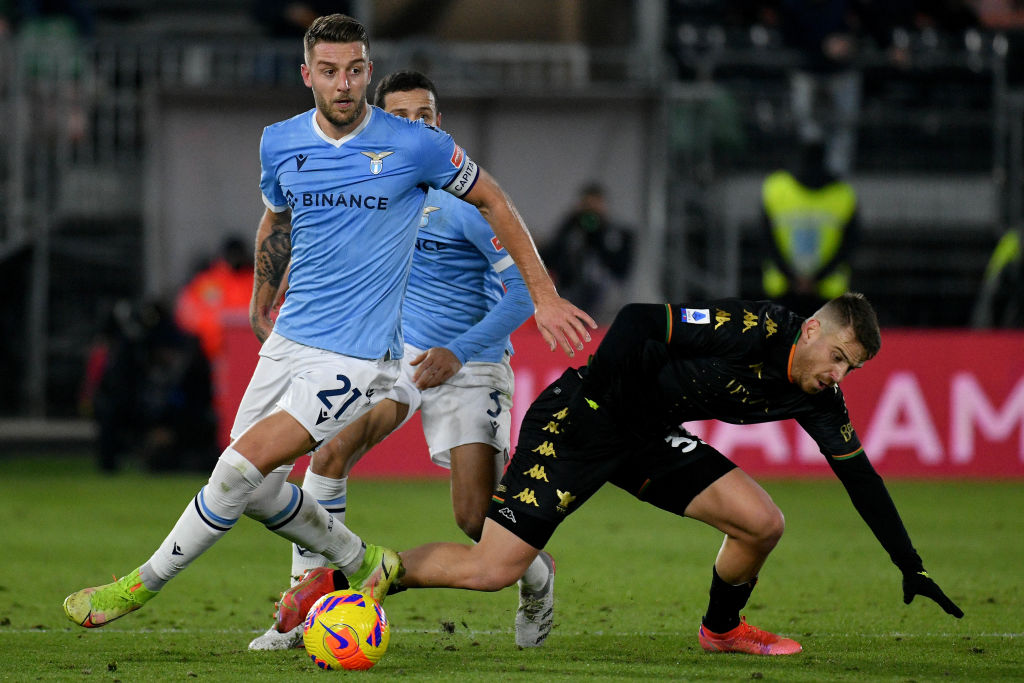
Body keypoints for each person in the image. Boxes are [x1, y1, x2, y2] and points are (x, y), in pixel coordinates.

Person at [63, 13, 594, 630]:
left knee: (250, 470)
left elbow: (494, 200)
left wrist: (544, 295)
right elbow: (278, 218)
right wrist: (263, 295)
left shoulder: (416, 150)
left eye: (354, 70)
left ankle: (138, 586)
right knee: (262, 484)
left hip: (371, 355)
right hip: (297, 340)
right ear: (307, 75)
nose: (343, 83)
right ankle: (357, 561)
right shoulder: (280, 141)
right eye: (329, 71)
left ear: (367, 71)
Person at [279, 292, 964, 656]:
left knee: (762, 522)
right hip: (581, 420)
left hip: (645, 438)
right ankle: (343, 577)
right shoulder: (757, 329)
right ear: (814, 330)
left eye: (852, 369)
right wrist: (601, 393)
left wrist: (911, 563)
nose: (838, 376)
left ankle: (722, 628)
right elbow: (640, 320)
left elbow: (862, 476)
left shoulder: (816, 393)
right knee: (493, 567)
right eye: (839, 356)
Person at [247, 70, 554, 651]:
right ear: (383, 123)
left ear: (440, 124)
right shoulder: (372, 193)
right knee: (330, 450)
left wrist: (457, 351)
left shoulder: (466, 202)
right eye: (404, 117)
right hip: (399, 355)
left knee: (475, 520)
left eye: (428, 116)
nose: (418, 126)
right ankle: (302, 607)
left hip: (473, 362)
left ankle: (536, 578)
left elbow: (520, 293)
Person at [778, 0, 912, 177]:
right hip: (807, 73)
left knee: (843, 130)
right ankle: (809, 178)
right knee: (810, 131)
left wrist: (889, 46)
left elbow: (870, 21)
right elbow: (788, 37)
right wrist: (822, 45)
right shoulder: (794, 4)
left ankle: (837, 181)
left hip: (842, 73)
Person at [760, 141, 860, 316]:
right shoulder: (843, 194)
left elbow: (766, 240)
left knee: (783, 342)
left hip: (783, 289)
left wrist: (792, 277)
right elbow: (849, 244)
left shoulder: (775, 189)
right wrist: (817, 278)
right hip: (827, 291)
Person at [542, 183, 633, 324]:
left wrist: (599, 238)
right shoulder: (572, 231)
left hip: (605, 302)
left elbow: (622, 269)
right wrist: (568, 225)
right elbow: (548, 259)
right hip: (571, 296)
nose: (591, 213)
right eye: (587, 206)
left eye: (595, 206)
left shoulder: (618, 234)